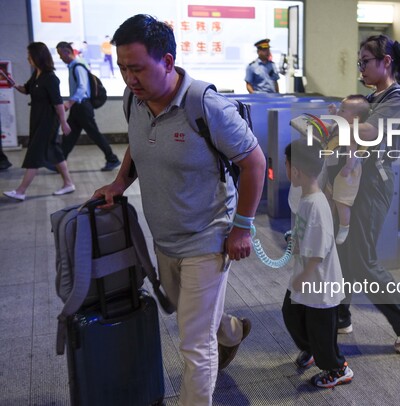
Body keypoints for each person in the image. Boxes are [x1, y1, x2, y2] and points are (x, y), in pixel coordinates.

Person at [92, 15, 266, 406]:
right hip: (164, 236)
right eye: (122, 68)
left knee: (194, 343)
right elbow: (139, 143)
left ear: (167, 61)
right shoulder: (133, 101)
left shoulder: (205, 106)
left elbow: (254, 163)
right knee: (191, 314)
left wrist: (242, 227)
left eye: (137, 68)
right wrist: (120, 182)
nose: (128, 78)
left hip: (208, 236)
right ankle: (232, 330)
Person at [328, 35, 400, 353]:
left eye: (365, 62)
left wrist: (338, 122)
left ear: (385, 61)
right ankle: (341, 315)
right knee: (343, 249)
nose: (360, 68)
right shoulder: (373, 97)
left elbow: (371, 132)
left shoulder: (396, 97)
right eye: (359, 63)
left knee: (363, 259)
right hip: (359, 179)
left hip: (374, 183)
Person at [282, 138, 354, 388]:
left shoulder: (317, 204)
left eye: (286, 163)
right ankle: (310, 348)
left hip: (320, 283)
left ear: (296, 170)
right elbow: (307, 235)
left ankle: (338, 368)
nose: (285, 167)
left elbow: (320, 249)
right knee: (291, 313)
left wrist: (304, 275)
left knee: (322, 332)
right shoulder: (307, 198)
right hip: (307, 278)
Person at [3, 42, 75, 201]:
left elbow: (58, 103)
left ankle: (21, 191)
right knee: (55, 153)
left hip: (47, 122)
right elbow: (26, 90)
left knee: (34, 153)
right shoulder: (37, 74)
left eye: (30, 55)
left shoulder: (50, 78)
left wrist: (64, 123)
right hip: (37, 119)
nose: (28, 58)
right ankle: (68, 183)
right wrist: (13, 83)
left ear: (38, 56)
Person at [55, 42, 121, 171]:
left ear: (67, 52)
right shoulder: (73, 66)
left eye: (60, 54)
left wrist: (69, 102)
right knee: (69, 134)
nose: (60, 57)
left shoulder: (78, 66)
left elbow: (82, 88)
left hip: (82, 106)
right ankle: (60, 162)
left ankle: (112, 159)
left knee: (94, 134)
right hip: (78, 106)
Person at [331, 95, 371, 244]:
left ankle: (344, 226)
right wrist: (335, 112)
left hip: (350, 167)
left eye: (342, 111)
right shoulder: (345, 125)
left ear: (355, 118)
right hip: (338, 164)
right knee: (330, 194)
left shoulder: (352, 131)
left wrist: (348, 167)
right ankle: (330, 223)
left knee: (342, 199)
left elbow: (351, 152)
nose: (339, 113)